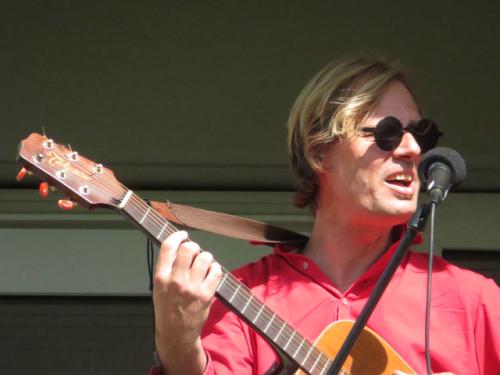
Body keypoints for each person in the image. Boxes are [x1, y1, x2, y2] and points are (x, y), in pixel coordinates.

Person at [150, 56, 499, 374]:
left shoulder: (473, 300)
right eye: (388, 133)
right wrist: (176, 344)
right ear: (320, 152)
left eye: (421, 134)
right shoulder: (246, 296)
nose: (412, 150)